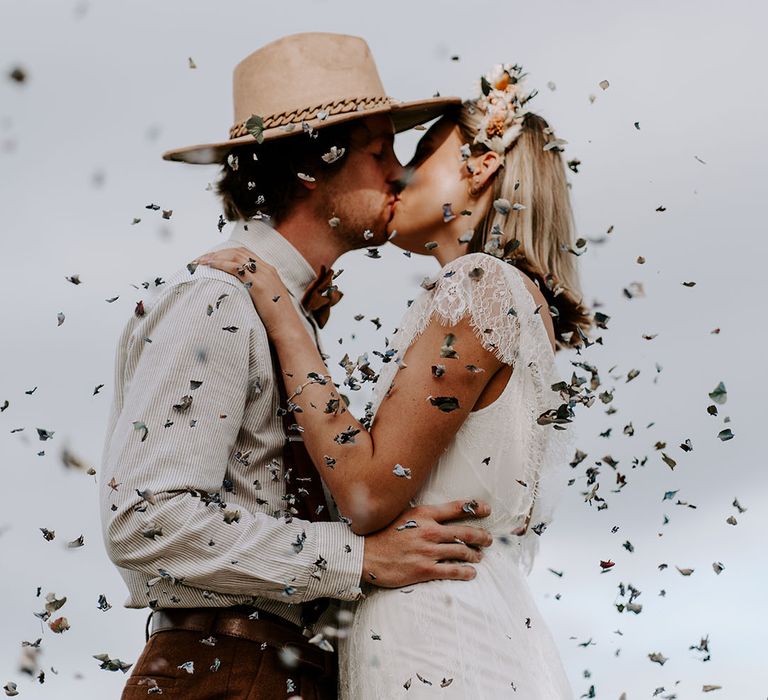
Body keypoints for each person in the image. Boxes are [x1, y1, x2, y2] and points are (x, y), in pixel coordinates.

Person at [100, 33, 496, 700]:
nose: (398, 173)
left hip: (269, 671)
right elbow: (146, 519)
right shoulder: (217, 302)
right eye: (379, 151)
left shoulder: (279, 313)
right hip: (222, 670)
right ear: (313, 168)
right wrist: (361, 559)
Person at [196, 63, 593, 698]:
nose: (397, 175)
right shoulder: (514, 301)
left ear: (480, 167)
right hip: (472, 618)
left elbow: (367, 495)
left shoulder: (478, 286)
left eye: (418, 155)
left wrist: (284, 319)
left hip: (434, 634)